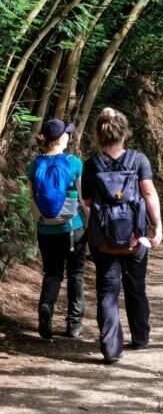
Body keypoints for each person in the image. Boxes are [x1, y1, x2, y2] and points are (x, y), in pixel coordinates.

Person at [81, 108, 162, 364]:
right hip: (135, 237)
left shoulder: (90, 164)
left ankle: (111, 349)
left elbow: (87, 200)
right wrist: (157, 225)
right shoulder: (139, 161)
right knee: (136, 287)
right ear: (125, 133)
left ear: (99, 135)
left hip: (103, 240)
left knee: (107, 291)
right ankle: (140, 337)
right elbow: (149, 195)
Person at [27, 119, 88, 340]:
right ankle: (74, 324)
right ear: (62, 139)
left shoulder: (34, 165)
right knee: (76, 275)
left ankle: (45, 306)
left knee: (52, 273)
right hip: (73, 229)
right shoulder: (74, 163)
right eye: (67, 134)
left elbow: (32, 199)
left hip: (45, 230)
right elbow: (83, 200)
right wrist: (90, 224)